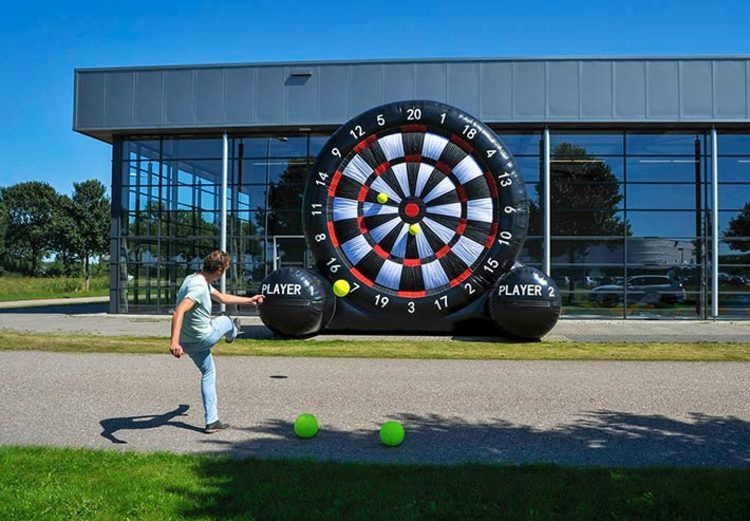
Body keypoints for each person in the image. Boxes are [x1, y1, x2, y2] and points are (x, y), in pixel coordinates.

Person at [170, 250, 264, 433]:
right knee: (227, 319)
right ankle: (232, 333)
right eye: (226, 269)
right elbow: (179, 311)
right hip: (203, 337)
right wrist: (174, 343)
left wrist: (250, 300)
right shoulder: (198, 287)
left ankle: (212, 421)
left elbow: (221, 297)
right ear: (220, 270)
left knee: (208, 372)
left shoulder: (194, 279)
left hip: (189, 342)